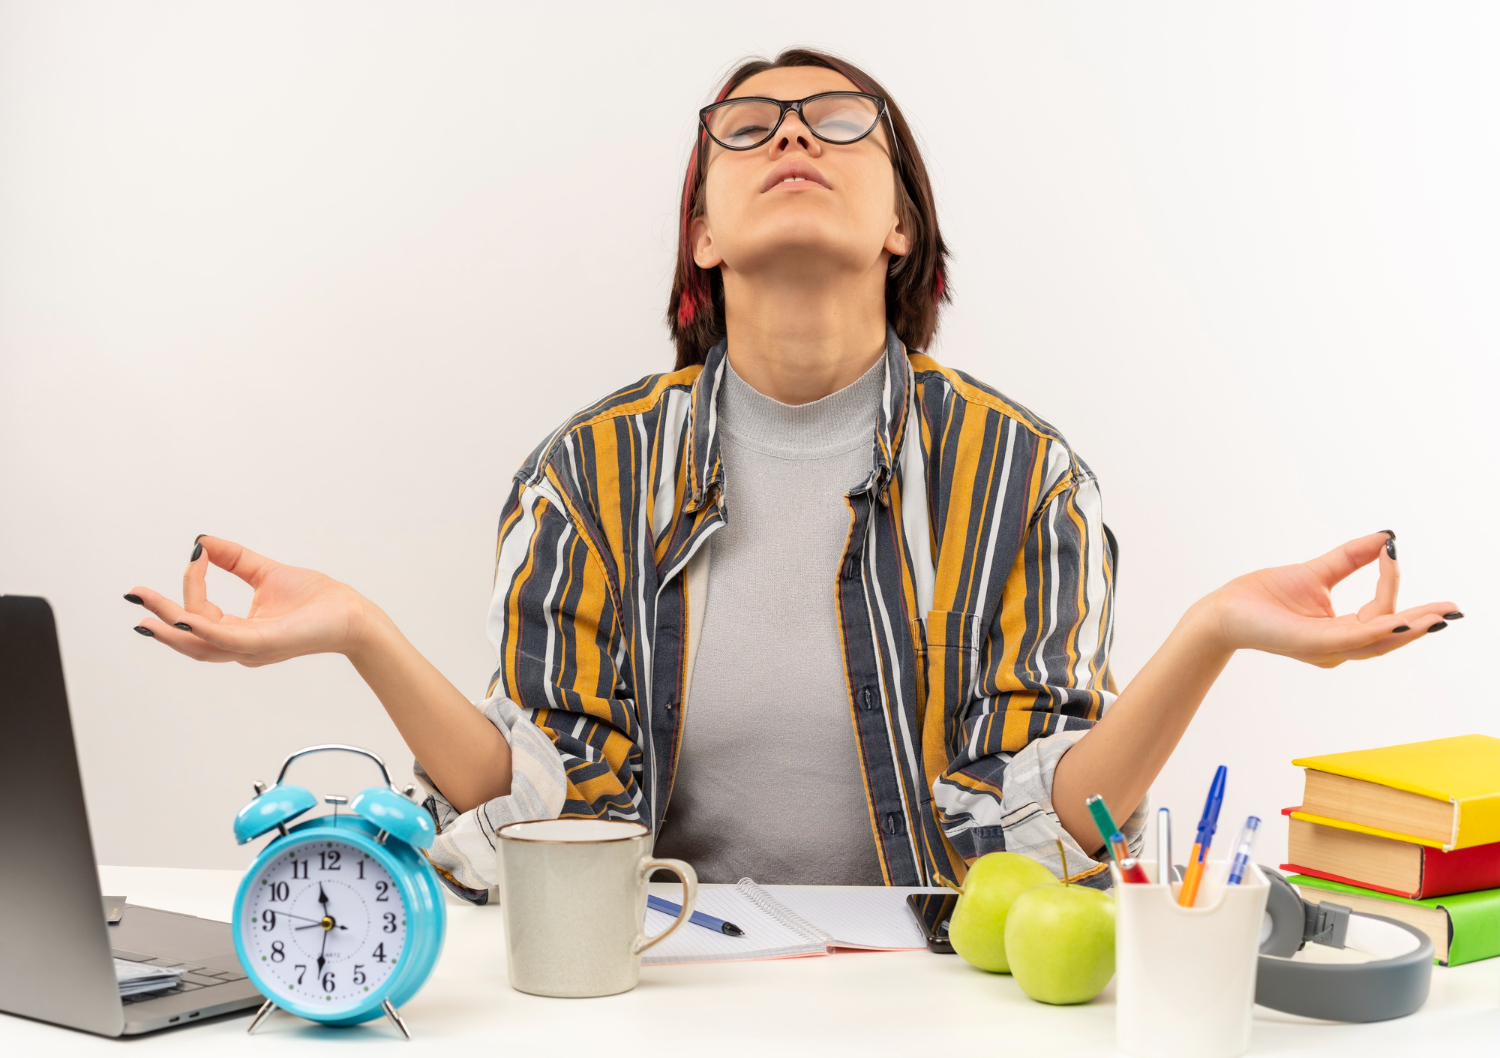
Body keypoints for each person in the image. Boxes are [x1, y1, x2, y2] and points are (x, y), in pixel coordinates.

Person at [125, 48, 1460, 898]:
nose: (792, 137)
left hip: (944, 1003)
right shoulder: (586, 473)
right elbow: (538, 812)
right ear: (700, 230)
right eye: (750, 125)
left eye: (837, 118)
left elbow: (1055, 820)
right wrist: (359, 630)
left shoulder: (1025, 475)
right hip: (658, 1003)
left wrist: (1213, 632)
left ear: (899, 224)